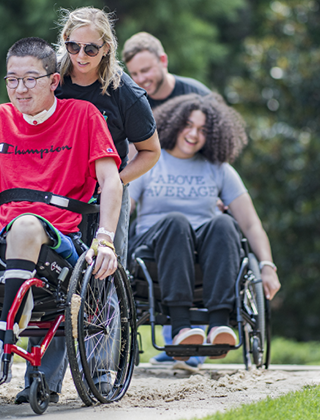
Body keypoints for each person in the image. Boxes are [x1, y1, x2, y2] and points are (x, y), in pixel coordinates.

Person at [0, 37, 122, 382]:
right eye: (12, 79)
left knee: (27, 224)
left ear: (54, 81)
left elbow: (111, 180)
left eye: (31, 79)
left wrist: (105, 238)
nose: (21, 88)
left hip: (55, 237)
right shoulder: (0, 117)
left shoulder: (83, 116)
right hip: (2, 232)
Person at [15, 7, 160, 404]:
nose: (80, 55)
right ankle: (40, 380)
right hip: (55, 191)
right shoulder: (53, 81)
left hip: (104, 195)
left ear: (106, 48)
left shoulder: (123, 92)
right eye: (73, 45)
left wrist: (111, 182)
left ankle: (100, 371)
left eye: (90, 48)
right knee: (51, 282)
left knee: (100, 280)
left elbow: (150, 152)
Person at [128, 93, 281, 360]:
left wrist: (267, 266)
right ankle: (180, 328)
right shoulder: (151, 161)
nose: (193, 134)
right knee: (176, 222)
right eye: (188, 125)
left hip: (205, 260)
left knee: (224, 223)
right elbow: (123, 209)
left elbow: (250, 223)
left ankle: (219, 324)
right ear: (174, 124)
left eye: (203, 130)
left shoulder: (219, 169)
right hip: (153, 257)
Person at [123, 31, 209, 371]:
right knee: (169, 229)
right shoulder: (133, 99)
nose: (142, 79)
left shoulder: (197, 94)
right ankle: (179, 339)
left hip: (196, 193)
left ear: (163, 61)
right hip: (153, 194)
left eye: (147, 70)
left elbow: (219, 147)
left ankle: (190, 340)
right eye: (136, 74)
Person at [122, 32, 210, 109]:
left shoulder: (199, 95)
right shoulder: (131, 105)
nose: (141, 79)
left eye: (145, 70)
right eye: (134, 74)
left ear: (163, 61)